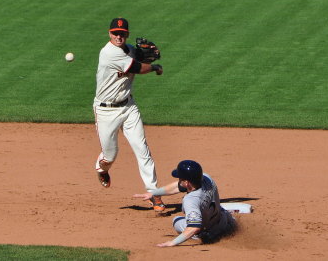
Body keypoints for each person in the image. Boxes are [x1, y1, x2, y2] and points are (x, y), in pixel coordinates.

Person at [93, 17, 165, 212]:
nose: (119, 36)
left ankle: (154, 194)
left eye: (122, 33)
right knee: (110, 155)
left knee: (142, 150)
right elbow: (137, 68)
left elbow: (137, 56)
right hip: (106, 111)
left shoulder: (129, 49)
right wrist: (155, 67)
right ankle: (102, 168)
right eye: (115, 33)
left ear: (127, 34)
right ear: (109, 34)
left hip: (129, 107)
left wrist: (146, 54)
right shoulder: (109, 53)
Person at [133, 160, 237, 246]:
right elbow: (176, 187)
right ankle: (230, 224)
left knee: (177, 221)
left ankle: (206, 235)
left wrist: (173, 242)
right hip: (223, 220)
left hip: (210, 229)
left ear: (187, 183)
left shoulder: (190, 200)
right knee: (218, 209)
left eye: (180, 179)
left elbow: (194, 227)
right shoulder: (207, 178)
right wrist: (153, 193)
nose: (178, 181)